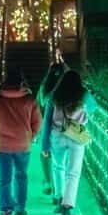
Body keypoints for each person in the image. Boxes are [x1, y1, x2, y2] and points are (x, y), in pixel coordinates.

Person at [0, 66, 42, 215]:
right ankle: (20, 210)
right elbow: (38, 121)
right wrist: (30, 136)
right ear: (21, 81)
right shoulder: (29, 100)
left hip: (1, 145)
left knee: (4, 179)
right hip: (23, 144)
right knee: (21, 176)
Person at [47, 70, 92, 215]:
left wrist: (44, 144)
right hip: (76, 136)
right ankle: (67, 209)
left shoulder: (56, 94)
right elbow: (93, 108)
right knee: (73, 172)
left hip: (57, 134)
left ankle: (59, 199)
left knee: (58, 167)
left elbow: (48, 116)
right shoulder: (84, 94)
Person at [36, 61, 68, 195]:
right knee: (61, 163)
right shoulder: (67, 88)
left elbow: (38, 104)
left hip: (45, 125)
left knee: (45, 154)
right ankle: (59, 190)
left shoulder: (45, 87)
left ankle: (48, 181)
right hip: (66, 129)